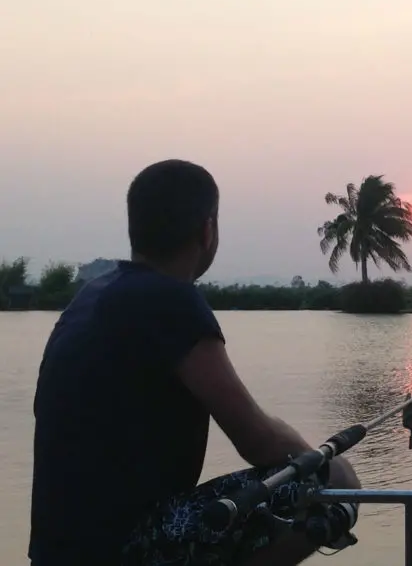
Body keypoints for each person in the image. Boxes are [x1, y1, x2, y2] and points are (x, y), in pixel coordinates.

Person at [29, 159, 361, 566]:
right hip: (124, 547)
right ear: (207, 230)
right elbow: (256, 440)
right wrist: (317, 456)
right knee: (336, 480)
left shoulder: (91, 295)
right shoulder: (170, 300)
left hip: (57, 551)